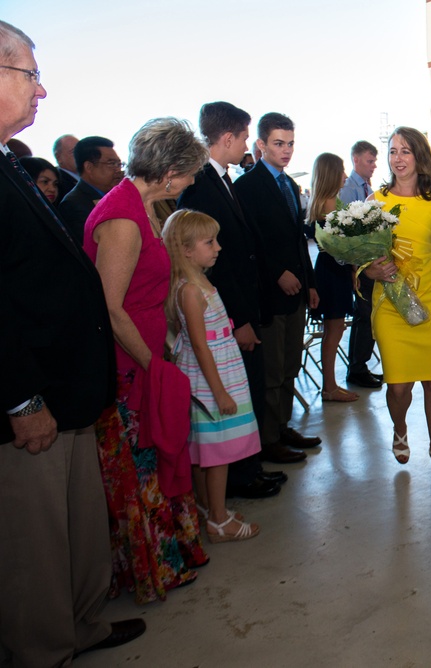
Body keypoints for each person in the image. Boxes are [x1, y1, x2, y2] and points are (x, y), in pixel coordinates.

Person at [0, 20, 146, 664]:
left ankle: (80, 625)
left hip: (70, 392)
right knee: (33, 542)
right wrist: (20, 400)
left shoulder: (8, 163)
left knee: (72, 530)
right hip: (33, 400)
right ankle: (42, 647)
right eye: (29, 73)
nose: (42, 89)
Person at [83, 117, 211, 604]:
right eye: (190, 172)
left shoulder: (145, 207)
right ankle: (149, 569)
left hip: (147, 357)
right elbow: (111, 308)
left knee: (156, 466)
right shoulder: (121, 218)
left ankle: (170, 556)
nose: (193, 181)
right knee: (136, 475)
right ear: (169, 170)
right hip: (129, 367)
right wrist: (154, 366)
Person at [175, 100, 290, 491]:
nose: (246, 146)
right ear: (227, 137)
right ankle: (241, 476)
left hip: (245, 303)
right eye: (243, 137)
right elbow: (217, 264)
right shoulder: (200, 184)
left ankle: (249, 466)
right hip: (228, 312)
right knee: (239, 398)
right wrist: (239, 319)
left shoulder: (222, 177)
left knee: (253, 391)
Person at [163, 209, 262, 542]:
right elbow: (200, 346)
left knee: (208, 448)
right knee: (216, 451)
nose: (218, 247)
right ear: (186, 249)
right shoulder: (190, 291)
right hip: (212, 375)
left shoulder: (198, 281)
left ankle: (207, 508)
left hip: (222, 365)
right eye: (210, 242)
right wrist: (219, 392)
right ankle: (218, 520)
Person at [364, 127, 431, 481]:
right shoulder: (375, 202)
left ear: (419, 156)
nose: (397, 158)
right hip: (390, 301)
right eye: (392, 151)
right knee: (398, 385)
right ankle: (400, 428)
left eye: (405, 151)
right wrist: (368, 269)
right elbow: (360, 255)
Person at [233, 112, 323, 461]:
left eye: (290, 144)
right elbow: (250, 243)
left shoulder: (289, 184)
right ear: (261, 144)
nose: (286, 151)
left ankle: (282, 427)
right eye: (278, 144)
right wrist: (276, 274)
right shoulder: (247, 186)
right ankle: (268, 439)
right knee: (271, 370)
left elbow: (299, 242)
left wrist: (310, 283)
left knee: (290, 365)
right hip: (270, 295)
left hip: (298, 291)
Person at [307, 152, 360, 401]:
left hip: (329, 267)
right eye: (341, 170)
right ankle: (329, 387)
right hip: (333, 268)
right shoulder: (329, 204)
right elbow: (340, 244)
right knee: (334, 329)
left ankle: (330, 384)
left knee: (333, 329)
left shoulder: (323, 201)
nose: (345, 175)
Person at [342, 140, 384, 389]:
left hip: (368, 262)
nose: (374, 165)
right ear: (356, 160)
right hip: (360, 265)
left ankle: (360, 366)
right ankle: (357, 368)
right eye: (370, 160)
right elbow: (348, 233)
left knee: (366, 317)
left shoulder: (367, 187)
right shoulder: (349, 190)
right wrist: (354, 269)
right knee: (364, 317)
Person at [59, 135, 124, 246]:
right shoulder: (73, 203)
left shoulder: (119, 196)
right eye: (111, 163)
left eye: (119, 164)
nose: (118, 170)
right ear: (89, 167)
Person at [51, 132, 78, 204]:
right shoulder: (57, 181)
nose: (80, 155)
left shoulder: (90, 176)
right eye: (73, 151)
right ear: (58, 157)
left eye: (81, 151)